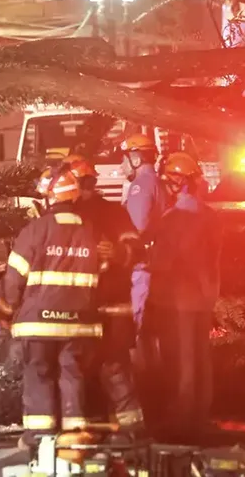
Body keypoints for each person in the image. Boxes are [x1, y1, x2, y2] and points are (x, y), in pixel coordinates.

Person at [0, 164, 106, 450]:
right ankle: (75, 433)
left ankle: (40, 435)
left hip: (38, 321)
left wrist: (9, 307)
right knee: (73, 374)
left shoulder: (34, 231)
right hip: (79, 321)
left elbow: (14, 277)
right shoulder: (93, 232)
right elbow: (104, 270)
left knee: (39, 374)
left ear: (49, 197)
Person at [65, 154, 147, 438]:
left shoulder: (113, 213)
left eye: (88, 181)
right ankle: (84, 429)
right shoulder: (63, 216)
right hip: (77, 308)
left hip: (111, 307)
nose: (85, 188)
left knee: (114, 368)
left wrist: (117, 253)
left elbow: (137, 250)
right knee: (75, 370)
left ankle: (131, 431)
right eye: (79, 182)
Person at [144, 151, 222, 444]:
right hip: (203, 297)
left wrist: (143, 263)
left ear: (177, 183)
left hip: (176, 299)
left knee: (180, 363)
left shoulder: (174, 218)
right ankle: (198, 418)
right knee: (200, 360)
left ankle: (180, 424)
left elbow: (164, 260)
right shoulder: (210, 215)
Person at [118, 134, 164, 336]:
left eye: (124, 159)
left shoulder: (141, 185)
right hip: (155, 263)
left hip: (141, 266)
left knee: (138, 321)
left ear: (136, 159)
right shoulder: (157, 182)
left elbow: (136, 228)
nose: (122, 166)